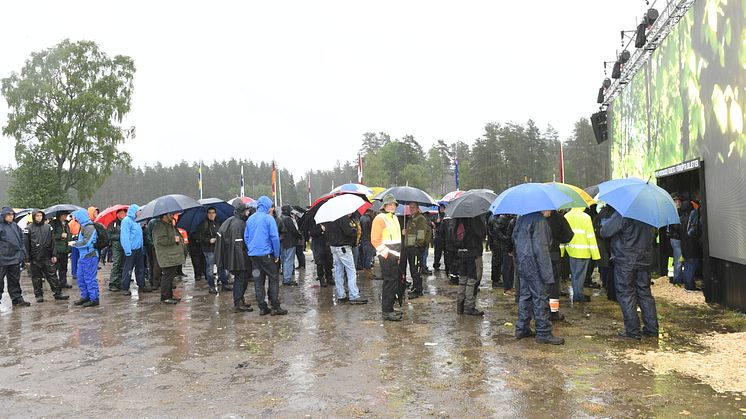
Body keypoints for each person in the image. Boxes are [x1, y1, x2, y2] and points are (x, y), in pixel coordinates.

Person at [601, 207, 659, 340]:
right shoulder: (649, 213)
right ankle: (652, 328)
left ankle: (632, 330)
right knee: (644, 293)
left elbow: (605, 231)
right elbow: (653, 235)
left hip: (625, 260)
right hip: (644, 259)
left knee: (626, 294)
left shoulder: (624, 212)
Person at [512, 211, 565, 345]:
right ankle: (543, 333)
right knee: (540, 297)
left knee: (525, 296)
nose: (551, 211)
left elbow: (514, 239)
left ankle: (522, 328)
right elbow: (542, 249)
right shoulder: (540, 221)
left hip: (524, 264)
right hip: (536, 266)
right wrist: (547, 273)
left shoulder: (522, 218)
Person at [244, 196, 288, 316]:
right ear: (267, 206)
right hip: (267, 255)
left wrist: (251, 248)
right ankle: (275, 306)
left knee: (258, 281)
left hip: (254, 256)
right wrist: (276, 254)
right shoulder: (269, 219)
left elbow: (246, 237)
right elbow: (274, 238)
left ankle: (262, 307)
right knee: (273, 279)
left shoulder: (250, 219)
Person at [215, 201, 254, 312]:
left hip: (238, 258)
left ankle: (240, 300)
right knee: (240, 280)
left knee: (242, 280)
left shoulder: (234, 221)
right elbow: (238, 244)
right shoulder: (238, 223)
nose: (248, 212)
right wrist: (243, 260)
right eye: (246, 210)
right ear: (242, 211)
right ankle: (238, 303)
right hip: (239, 259)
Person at [24, 209, 69, 302]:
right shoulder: (28, 228)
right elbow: (26, 244)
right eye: (37, 216)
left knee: (52, 275)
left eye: (40, 216)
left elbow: (53, 242)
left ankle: (57, 293)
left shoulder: (48, 227)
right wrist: (27, 259)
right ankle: (39, 295)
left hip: (46, 256)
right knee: (36, 277)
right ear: (33, 217)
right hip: (34, 257)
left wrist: (54, 254)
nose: (39, 217)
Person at [371, 194, 403, 321]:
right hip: (387, 256)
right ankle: (386, 311)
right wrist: (385, 254)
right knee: (389, 282)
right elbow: (375, 240)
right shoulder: (380, 218)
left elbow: (397, 239)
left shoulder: (394, 218)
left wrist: (398, 256)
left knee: (393, 282)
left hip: (394, 256)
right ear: (384, 206)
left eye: (394, 204)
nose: (392, 206)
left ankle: (389, 308)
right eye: (390, 204)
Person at [324, 212, 368, 305]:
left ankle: (341, 295)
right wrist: (356, 231)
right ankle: (354, 295)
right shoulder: (342, 217)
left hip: (333, 246)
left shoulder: (329, 217)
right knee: (351, 271)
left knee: (338, 271)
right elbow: (347, 231)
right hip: (343, 246)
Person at [563, 207, 600, 302]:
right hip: (583, 251)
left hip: (571, 250)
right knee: (580, 275)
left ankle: (577, 294)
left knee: (574, 274)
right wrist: (595, 255)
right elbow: (590, 237)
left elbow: (563, 235)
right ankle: (578, 295)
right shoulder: (585, 217)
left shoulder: (566, 216)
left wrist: (562, 251)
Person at [454, 215, 488, 316]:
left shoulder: (457, 217)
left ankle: (460, 305)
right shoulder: (475, 217)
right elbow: (482, 233)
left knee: (462, 280)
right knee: (472, 280)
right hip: (473, 253)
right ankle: (469, 306)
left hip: (461, 252)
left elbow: (453, 235)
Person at [545, 210, 573, 321]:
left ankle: (540, 311)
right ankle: (553, 312)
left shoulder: (533, 216)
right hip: (553, 254)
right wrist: (556, 238)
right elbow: (569, 235)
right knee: (553, 285)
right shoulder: (558, 217)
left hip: (538, 255)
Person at [152, 212, 185, 304]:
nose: (172, 216)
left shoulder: (169, 225)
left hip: (172, 256)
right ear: (164, 216)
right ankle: (165, 297)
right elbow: (160, 240)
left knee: (170, 276)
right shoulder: (159, 226)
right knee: (167, 276)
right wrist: (173, 239)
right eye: (170, 215)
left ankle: (169, 295)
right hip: (166, 256)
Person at [69, 209, 100, 307]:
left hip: (90, 256)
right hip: (83, 256)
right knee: (81, 278)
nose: (75, 219)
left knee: (89, 278)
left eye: (76, 217)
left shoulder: (89, 227)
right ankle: (85, 296)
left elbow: (87, 242)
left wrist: (74, 243)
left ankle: (94, 298)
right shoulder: (83, 226)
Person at [401, 202, 431, 299]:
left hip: (415, 248)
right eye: (410, 207)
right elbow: (413, 232)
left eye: (413, 207)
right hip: (410, 247)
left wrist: (417, 245)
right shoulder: (412, 218)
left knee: (416, 270)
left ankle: (418, 290)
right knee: (413, 269)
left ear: (418, 208)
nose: (411, 209)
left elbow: (421, 233)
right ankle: (415, 287)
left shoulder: (420, 218)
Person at [199, 206, 232, 294]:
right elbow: (199, 237)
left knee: (221, 266)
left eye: (213, 213)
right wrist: (209, 240)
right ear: (207, 214)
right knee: (210, 268)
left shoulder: (217, 223)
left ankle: (224, 283)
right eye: (209, 213)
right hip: (208, 249)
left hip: (218, 248)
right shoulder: (203, 224)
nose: (211, 214)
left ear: (215, 214)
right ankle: (211, 286)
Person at [1, 207, 30, 307]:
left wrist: (23, 255)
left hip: (14, 258)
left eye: (12, 215)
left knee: (14, 280)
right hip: (2, 259)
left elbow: (21, 239)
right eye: (9, 215)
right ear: (4, 215)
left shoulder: (14, 225)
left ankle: (17, 299)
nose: (11, 216)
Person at [120, 204, 151, 296]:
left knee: (140, 268)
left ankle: (141, 285)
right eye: (139, 211)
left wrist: (141, 247)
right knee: (128, 269)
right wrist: (127, 249)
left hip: (138, 249)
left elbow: (139, 236)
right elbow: (124, 236)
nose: (140, 213)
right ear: (134, 211)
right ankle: (125, 287)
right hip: (131, 250)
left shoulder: (137, 221)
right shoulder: (126, 221)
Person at [594, 205, 616, 301]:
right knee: (611, 267)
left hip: (601, 243)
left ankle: (604, 284)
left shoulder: (600, 215)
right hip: (612, 244)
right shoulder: (615, 215)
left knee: (603, 266)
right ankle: (609, 286)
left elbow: (595, 228)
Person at [680, 201, 702, 292]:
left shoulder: (681, 219)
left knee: (687, 264)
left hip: (683, 244)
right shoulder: (692, 218)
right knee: (692, 265)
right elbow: (695, 230)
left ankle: (687, 283)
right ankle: (690, 286)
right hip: (692, 244)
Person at [49, 212, 73, 289]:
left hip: (65, 248)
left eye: (66, 215)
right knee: (54, 268)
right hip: (57, 249)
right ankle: (55, 284)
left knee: (64, 267)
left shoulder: (66, 223)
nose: (65, 216)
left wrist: (70, 239)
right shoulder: (53, 223)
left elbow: (68, 234)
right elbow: (51, 235)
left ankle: (63, 282)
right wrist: (60, 236)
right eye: (64, 215)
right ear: (59, 215)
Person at [279, 205, 300, 286]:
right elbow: (293, 230)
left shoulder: (281, 217)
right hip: (290, 241)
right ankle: (287, 279)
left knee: (285, 260)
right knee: (289, 260)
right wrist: (299, 235)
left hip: (283, 242)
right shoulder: (287, 219)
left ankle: (286, 277)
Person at [107, 209, 126, 291]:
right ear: (117, 214)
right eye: (121, 213)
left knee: (123, 265)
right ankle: (113, 283)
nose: (123, 214)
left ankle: (121, 282)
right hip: (116, 247)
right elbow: (109, 235)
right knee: (116, 264)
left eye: (124, 213)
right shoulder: (112, 224)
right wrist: (120, 236)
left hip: (125, 247)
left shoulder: (126, 222)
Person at [310, 222, 333, 287]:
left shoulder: (328, 222)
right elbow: (312, 233)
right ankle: (321, 278)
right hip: (318, 244)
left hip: (327, 243)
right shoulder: (313, 223)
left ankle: (329, 277)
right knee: (320, 262)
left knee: (329, 260)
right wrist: (321, 230)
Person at [668, 193, 683, 283]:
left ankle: (678, 278)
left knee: (678, 259)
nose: (678, 203)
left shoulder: (675, 212)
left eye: (679, 201)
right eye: (676, 201)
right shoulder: (673, 213)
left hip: (676, 238)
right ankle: (677, 279)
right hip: (676, 238)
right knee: (678, 259)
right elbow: (675, 227)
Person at [145, 217, 161, 289]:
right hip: (155, 246)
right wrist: (153, 244)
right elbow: (148, 235)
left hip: (162, 246)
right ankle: (155, 282)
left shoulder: (165, 221)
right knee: (156, 264)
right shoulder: (152, 222)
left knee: (162, 264)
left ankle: (160, 281)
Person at [432, 205, 446, 271]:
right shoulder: (436, 215)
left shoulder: (446, 216)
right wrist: (435, 221)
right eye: (441, 208)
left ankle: (447, 266)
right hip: (438, 237)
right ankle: (436, 264)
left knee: (446, 253)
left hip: (445, 237)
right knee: (437, 252)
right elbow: (432, 222)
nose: (442, 209)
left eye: (443, 208)